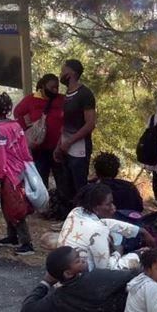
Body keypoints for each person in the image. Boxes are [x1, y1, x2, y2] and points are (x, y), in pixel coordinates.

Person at [20, 246, 137, 312]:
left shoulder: (58, 299)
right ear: (68, 273)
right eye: (78, 261)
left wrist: (45, 282)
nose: (83, 260)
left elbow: (27, 309)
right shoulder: (96, 277)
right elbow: (133, 275)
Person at [58, 183, 156, 271]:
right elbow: (106, 270)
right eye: (108, 204)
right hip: (84, 277)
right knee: (140, 262)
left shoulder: (76, 212)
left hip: (65, 266)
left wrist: (140, 231)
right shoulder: (98, 230)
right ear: (96, 208)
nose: (113, 207)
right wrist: (127, 253)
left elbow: (105, 223)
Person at [0, 92, 36, 256]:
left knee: (15, 208)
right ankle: (12, 236)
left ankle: (26, 243)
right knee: (10, 205)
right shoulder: (16, 126)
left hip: (8, 174)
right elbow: (25, 150)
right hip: (19, 170)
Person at [54, 59, 96, 205]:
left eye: (63, 70)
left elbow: (90, 124)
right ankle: (68, 215)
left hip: (80, 150)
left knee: (80, 188)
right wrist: (59, 145)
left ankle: (83, 214)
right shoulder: (67, 95)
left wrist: (70, 141)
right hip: (66, 149)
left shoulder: (85, 94)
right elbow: (65, 124)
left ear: (71, 73)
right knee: (67, 188)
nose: (61, 74)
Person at [13, 73, 65, 187]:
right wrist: (26, 127)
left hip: (58, 148)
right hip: (40, 149)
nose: (55, 90)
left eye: (57, 87)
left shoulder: (62, 99)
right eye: (52, 87)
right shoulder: (31, 99)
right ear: (43, 86)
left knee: (62, 182)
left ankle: (61, 198)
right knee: (41, 181)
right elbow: (17, 112)